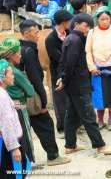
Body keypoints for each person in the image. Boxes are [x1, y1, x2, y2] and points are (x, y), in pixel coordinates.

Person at [56, 13, 111, 155]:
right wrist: (63, 79)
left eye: (89, 26)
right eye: (85, 25)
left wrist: (63, 78)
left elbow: (64, 63)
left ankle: (70, 146)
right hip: (78, 84)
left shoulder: (72, 38)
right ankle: (100, 146)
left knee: (72, 115)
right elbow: (69, 64)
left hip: (75, 84)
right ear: (76, 24)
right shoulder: (75, 40)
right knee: (89, 116)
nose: (87, 29)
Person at [18, 20, 71, 166]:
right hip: (32, 95)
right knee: (46, 124)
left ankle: (25, 162)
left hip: (21, 96)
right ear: (27, 33)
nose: (38, 35)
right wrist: (43, 100)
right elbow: (35, 78)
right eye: (36, 32)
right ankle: (53, 157)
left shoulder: (20, 48)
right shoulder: (29, 52)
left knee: (22, 129)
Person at [86, 7, 111, 130]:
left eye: (107, 19)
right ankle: (100, 120)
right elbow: (88, 51)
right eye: (102, 19)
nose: (105, 21)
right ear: (97, 20)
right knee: (99, 96)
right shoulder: (92, 32)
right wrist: (92, 67)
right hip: (97, 69)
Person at [0, 37, 35, 164]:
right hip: (19, 108)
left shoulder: (2, 67)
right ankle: (27, 163)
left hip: (10, 107)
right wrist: (21, 91)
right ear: (10, 55)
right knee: (23, 136)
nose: (20, 55)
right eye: (18, 53)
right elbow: (30, 91)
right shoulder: (13, 72)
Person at [0, 59, 31, 179]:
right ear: (2, 77)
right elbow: (6, 123)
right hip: (8, 146)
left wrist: (12, 106)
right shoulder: (2, 96)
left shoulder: (3, 93)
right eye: (10, 73)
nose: (13, 76)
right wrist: (14, 148)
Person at [45, 10, 73, 135]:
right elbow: (58, 58)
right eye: (69, 21)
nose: (71, 23)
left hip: (72, 72)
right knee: (60, 101)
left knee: (72, 98)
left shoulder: (70, 33)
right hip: (58, 74)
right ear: (63, 22)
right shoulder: (50, 39)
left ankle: (74, 124)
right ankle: (62, 127)